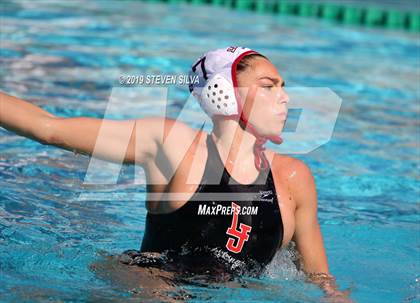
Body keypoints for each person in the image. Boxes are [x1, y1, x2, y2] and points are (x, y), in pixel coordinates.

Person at [0, 46, 352, 302]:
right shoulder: (174, 146)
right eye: (268, 85)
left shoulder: (293, 178)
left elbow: (320, 279)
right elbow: (49, 129)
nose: (285, 97)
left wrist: (334, 296)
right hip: (147, 284)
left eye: (283, 86)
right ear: (225, 94)